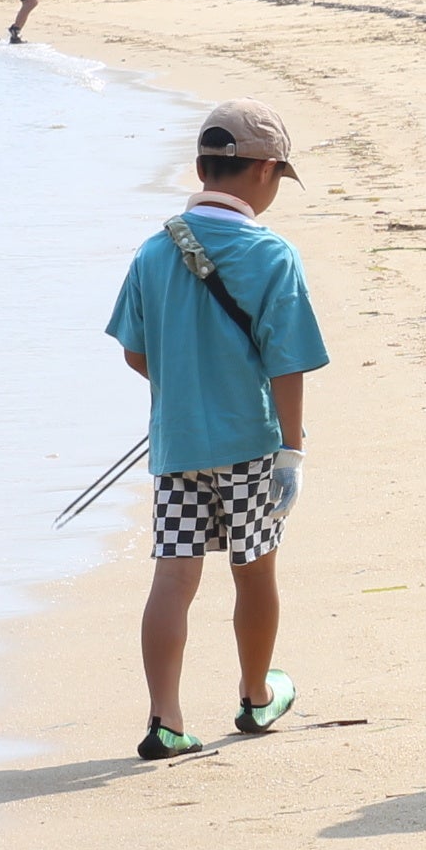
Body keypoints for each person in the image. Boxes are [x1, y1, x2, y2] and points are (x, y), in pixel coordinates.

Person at [104, 99, 331, 762]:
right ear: (263, 171)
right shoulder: (271, 254)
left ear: (203, 166)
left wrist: (185, 393)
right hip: (252, 448)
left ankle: (165, 717)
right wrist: (291, 448)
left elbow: (135, 352)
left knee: (173, 578)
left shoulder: (154, 250)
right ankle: (257, 695)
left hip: (177, 449)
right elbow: (288, 363)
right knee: (254, 571)